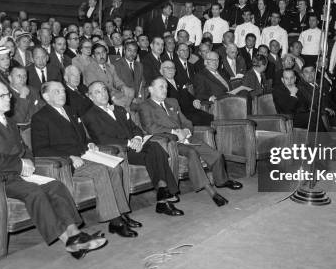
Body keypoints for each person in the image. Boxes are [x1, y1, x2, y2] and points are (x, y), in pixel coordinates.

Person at [0, 81, 107, 258]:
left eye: (8, 95)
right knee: (35, 192)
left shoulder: (8, 121)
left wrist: (28, 162)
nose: (8, 99)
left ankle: (75, 235)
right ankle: (69, 242)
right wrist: (20, 165)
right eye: (2, 96)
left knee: (56, 186)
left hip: (18, 174)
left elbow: (25, 149)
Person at [32, 81, 140, 237]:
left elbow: (82, 138)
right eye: (57, 92)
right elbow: (40, 150)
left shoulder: (70, 110)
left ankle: (122, 213)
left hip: (85, 155)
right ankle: (115, 220)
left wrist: (89, 143)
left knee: (115, 166)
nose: (63, 94)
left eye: (63, 91)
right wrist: (69, 156)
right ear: (46, 96)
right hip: (67, 162)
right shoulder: (40, 117)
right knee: (101, 170)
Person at [82, 81, 183, 216]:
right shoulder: (89, 115)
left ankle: (162, 194)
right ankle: (164, 196)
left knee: (155, 147)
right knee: (156, 153)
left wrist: (137, 138)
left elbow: (135, 128)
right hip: (119, 151)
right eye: (97, 92)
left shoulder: (119, 109)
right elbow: (102, 139)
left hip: (136, 145)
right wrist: (130, 143)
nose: (103, 94)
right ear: (90, 97)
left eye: (104, 90)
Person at [139, 76, 241, 206]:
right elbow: (149, 127)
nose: (165, 90)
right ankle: (210, 191)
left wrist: (187, 131)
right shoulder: (145, 106)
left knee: (215, 154)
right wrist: (174, 132)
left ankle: (221, 181)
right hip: (168, 142)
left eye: (166, 87)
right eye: (161, 87)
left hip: (186, 137)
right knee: (192, 153)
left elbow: (186, 121)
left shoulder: (172, 102)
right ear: (150, 89)